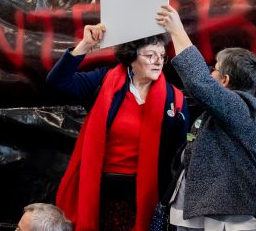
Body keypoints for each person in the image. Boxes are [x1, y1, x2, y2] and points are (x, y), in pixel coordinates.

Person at [46, 24, 188, 231]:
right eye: (150, 55)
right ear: (131, 57)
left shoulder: (174, 100)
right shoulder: (104, 82)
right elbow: (57, 82)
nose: (158, 61)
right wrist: (85, 45)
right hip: (102, 196)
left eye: (162, 55)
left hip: (148, 199)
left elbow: (178, 158)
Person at [156, 4, 256, 231]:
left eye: (214, 69)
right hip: (193, 216)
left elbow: (199, 82)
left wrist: (177, 30)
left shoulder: (243, 107)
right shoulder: (221, 112)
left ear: (224, 80)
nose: (210, 72)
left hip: (221, 222)